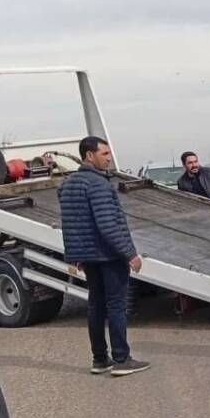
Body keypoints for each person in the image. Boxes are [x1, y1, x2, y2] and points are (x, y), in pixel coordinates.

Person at [57, 136, 150, 377]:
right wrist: (130, 254)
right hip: (108, 256)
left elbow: (70, 224)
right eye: (104, 154)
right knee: (116, 306)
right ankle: (121, 359)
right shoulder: (98, 184)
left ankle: (99, 359)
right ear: (90, 155)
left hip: (89, 257)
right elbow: (108, 225)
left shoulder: (67, 185)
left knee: (96, 306)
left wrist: (76, 255)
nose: (109, 158)